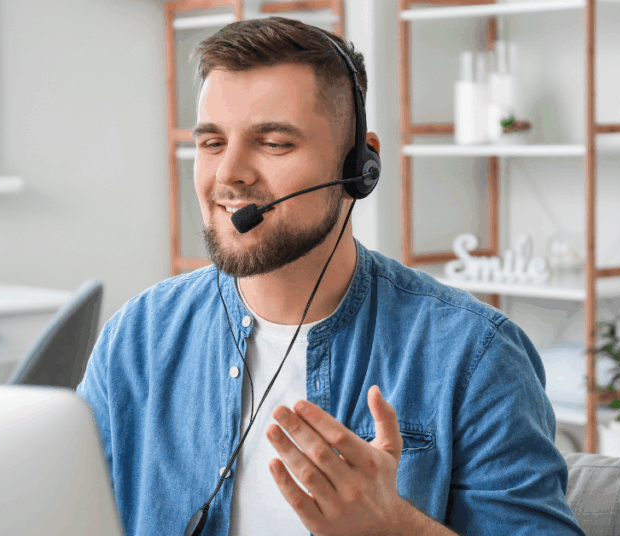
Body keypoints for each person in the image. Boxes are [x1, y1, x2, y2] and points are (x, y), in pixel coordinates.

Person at [77, 16, 586, 536]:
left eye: (273, 143)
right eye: (211, 143)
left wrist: (394, 528)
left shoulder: (473, 356)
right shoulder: (139, 338)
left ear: (359, 166)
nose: (228, 174)